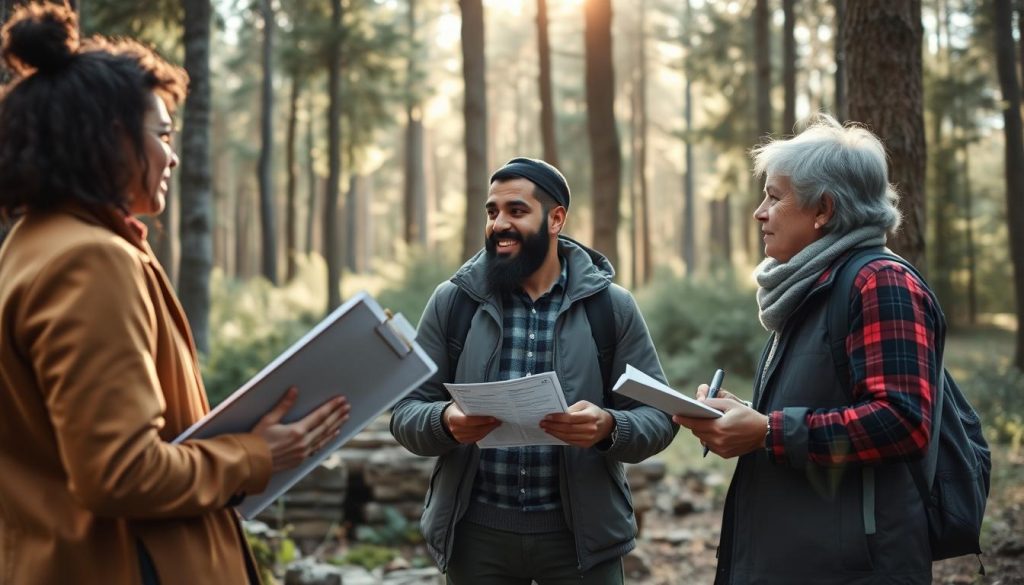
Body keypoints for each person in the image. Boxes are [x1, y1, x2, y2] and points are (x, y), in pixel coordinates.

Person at [0, 5, 350, 584]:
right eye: (162, 134)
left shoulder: (30, 247)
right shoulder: (90, 261)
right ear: (110, 140)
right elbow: (120, 472)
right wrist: (254, 454)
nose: (173, 155)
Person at [674, 114, 940, 584]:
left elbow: (902, 421)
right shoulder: (811, 286)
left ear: (823, 210)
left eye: (774, 197)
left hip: (854, 568)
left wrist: (768, 432)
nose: (759, 212)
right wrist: (749, 417)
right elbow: (821, 405)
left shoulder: (880, 282)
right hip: (801, 554)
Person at [389, 157, 677, 584]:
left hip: (581, 542)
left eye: (516, 211)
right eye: (492, 212)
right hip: (477, 541)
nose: (499, 224)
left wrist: (609, 427)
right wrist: (445, 420)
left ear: (556, 218)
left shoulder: (611, 307)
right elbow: (404, 412)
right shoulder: (454, 302)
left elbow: (659, 417)